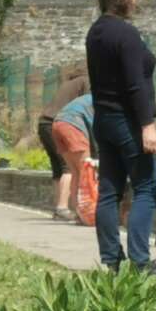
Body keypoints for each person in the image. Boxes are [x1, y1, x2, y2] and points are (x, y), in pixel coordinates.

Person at [85, 0, 156, 274]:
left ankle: (111, 260)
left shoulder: (97, 31)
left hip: (103, 119)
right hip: (128, 122)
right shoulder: (126, 33)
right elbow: (135, 84)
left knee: (110, 191)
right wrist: (148, 125)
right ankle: (141, 262)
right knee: (147, 187)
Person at [36, 67, 89, 217]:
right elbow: (87, 105)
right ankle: (63, 207)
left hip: (45, 123)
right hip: (62, 122)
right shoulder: (85, 82)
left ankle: (59, 207)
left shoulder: (69, 82)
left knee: (58, 167)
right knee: (69, 167)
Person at [50, 93, 97, 225]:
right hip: (72, 124)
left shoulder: (90, 97)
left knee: (76, 173)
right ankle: (87, 214)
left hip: (57, 124)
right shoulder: (106, 101)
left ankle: (79, 214)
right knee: (86, 171)